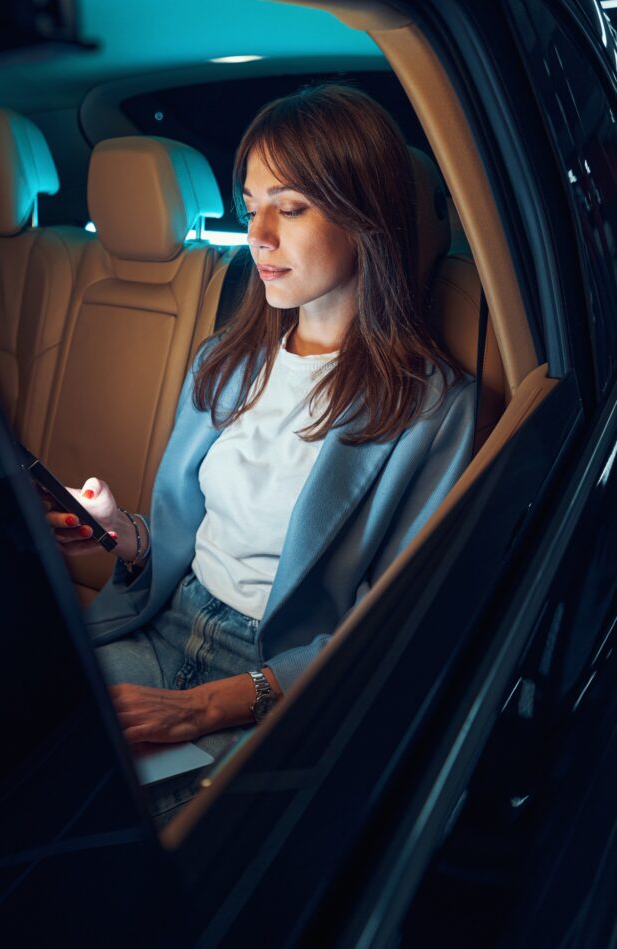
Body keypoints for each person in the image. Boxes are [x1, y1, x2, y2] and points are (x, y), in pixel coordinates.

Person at [45, 84, 475, 760]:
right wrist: (120, 535)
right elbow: (197, 541)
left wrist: (200, 709)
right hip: (161, 622)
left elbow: (392, 627)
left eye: (291, 208)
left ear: (371, 217)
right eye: (251, 207)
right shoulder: (225, 359)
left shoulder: (433, 408)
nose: (258, 236)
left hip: (276, 676)